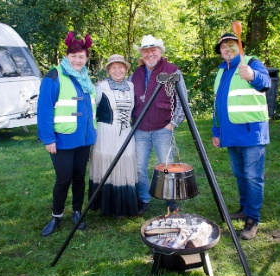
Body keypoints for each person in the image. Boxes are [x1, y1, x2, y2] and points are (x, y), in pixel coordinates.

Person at [211, 32, 271, 240]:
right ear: (220, 52)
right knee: (240, 176)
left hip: (251, 134)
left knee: (253, 177)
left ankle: (253, 218)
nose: (227, 49)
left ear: (239, 46)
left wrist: (252, 76)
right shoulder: (222, 71)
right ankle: (245, 209)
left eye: (231, 45)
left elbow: (265, 83)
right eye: (223, 47)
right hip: (230, 134)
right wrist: (216, 131)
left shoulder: (252, 62)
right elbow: (217, 105)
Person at [37, 31, 97, 237]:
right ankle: (56, 217)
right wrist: (48, 138)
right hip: (62, 138)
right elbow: (44, 108)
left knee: (80, 177)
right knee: (63, 179)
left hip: (84, 138)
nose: (78, 60)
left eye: (81, 56)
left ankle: (77, 212)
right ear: (66, 57)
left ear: (86, 58)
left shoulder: (86, 78)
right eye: (74, 56)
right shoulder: (55, 75)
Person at [130, 35, 188, 215]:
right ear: (141, 54)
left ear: (160, 51)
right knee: (139, 167)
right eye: (146, 51)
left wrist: (172, 124)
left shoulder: (172, 71)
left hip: (163, 128)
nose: (150, 54)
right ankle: (144, 199)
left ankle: (172, 201)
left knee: (167, 167)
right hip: (140, 129)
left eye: (153, 50)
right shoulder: (136, 73)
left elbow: (182, 101)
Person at [88, 54, 139, 217]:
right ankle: (108, 206)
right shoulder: (100, 87)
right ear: (109, 70)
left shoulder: (131, 86)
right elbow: (90, 107)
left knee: (125, 164)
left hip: (126, 132)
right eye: (114, 67)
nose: (118, 70)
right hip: (107, 132)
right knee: (109, 165)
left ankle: (124, 206)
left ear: (126, 69)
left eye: (121, 67)